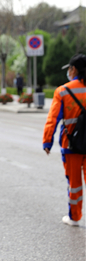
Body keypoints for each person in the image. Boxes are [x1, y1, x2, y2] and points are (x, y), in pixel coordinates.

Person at [43, 53, 86, 227]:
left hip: (72, 145)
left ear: (73, 69)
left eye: (69, 68)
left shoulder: (63, 91)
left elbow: (52, 118)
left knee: (74, 184)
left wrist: (47, 141)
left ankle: (74, 217)